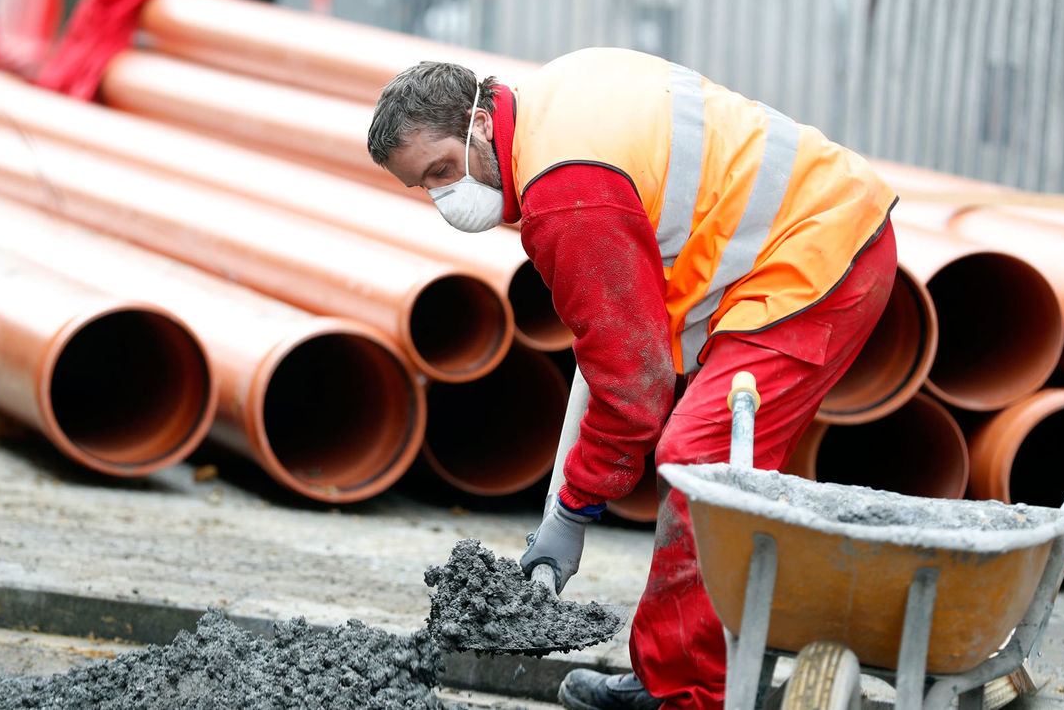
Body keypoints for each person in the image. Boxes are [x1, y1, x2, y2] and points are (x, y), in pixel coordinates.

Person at [367, 48, 896, 710]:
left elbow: (634, 389)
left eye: (443, 170)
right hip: (804, 232)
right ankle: (675, 678)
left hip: (818, 256)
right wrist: (569, 508)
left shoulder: (564, 193)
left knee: (700, 463)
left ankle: (690, 696)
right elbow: (612, 345)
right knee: (706, 468)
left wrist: (570, 511)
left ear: (477, 125)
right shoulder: (547, 105)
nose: (445, 196)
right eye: (425, 186)